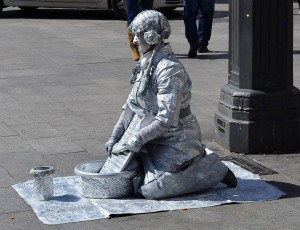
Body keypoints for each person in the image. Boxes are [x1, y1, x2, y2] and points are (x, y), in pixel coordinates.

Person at [105, 10, 237, 200]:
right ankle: (179, 161)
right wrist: (114, 137)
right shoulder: (146, 63)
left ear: (150, 37)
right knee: (128, 173)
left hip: (177, 136)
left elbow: (166, 120)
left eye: (137, 35)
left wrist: (136, 140)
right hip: (150, 135)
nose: (133, 41)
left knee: (152, 189)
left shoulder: (169, 69)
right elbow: (130, 106)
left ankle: (212, 169)